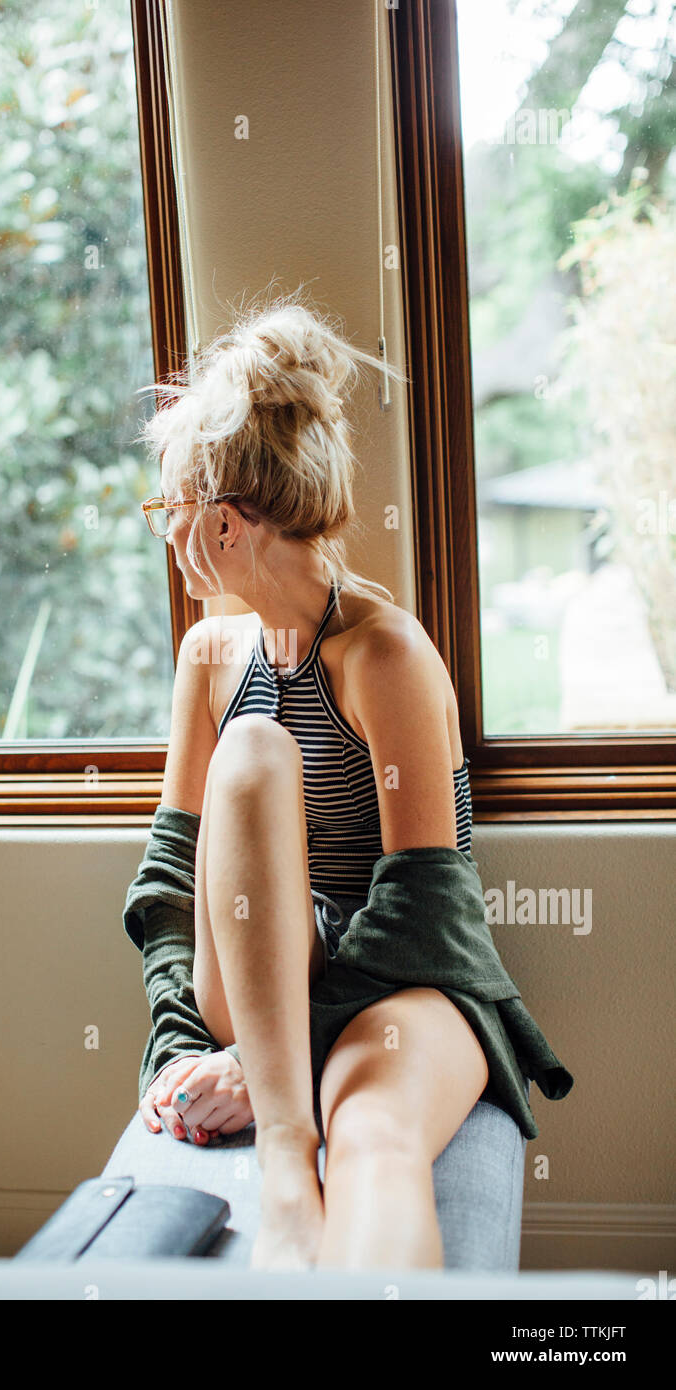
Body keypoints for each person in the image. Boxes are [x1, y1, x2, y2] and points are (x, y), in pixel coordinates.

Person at [123, 292, 573, 1271]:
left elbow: (426, 903)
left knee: (372, 1135)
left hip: (402, 981)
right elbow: (166, 885)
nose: (163, 531)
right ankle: (287, 1168)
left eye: (169, 507)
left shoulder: (383, 654)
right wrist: (178, 1053)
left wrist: (260, 1059)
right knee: (251, 751)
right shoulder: (206, 656)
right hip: (257, 981)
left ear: (227, 524)